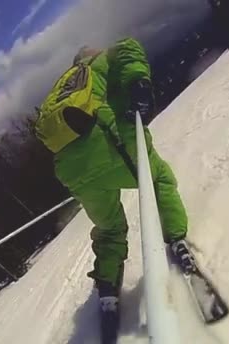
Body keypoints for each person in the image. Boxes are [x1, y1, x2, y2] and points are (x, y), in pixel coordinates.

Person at [35, 37, 194, 309]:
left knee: (109, 226)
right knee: (159, 180)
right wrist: (139, 84)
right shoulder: (98, 61)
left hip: (70, 169)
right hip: (109, 143)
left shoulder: (64, 87)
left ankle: (107, 285)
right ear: (88, 53)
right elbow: (128, 47)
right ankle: (177, 239)